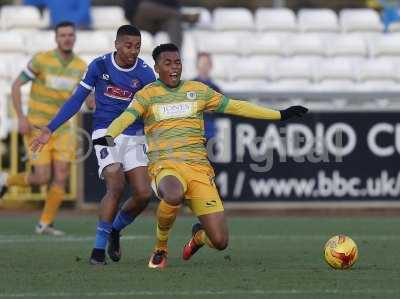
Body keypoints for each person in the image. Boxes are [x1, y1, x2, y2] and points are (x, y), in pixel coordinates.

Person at [89, 43, 308, 269]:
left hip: (199, 170)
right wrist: (110, 135)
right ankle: (160, 249)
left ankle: (198, 237)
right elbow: (126, 117)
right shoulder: (147, 95)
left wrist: (280, 115)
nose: (174, 68)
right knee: (173, 194)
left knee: (220, 241)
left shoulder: (198, 90)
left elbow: (237, 107)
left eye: (177, 62)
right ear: (156, 68)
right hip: (165, 166)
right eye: (167, 63)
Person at [30, 25, 156, 265]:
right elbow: (77, 99)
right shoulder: (100, 65)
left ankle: (115, 230)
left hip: (133, 135)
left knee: (143, 194)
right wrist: (50, 128)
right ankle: (97, 251)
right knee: (115, 183)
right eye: (128, 46)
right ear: (117, 45)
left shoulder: (146, 73)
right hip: (106, 133)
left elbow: (154, 108)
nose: (133, 51)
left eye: (137, 47)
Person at [0, 21, 87, 235]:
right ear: (56, 38)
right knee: (40, 177)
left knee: (62, 174)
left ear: (74, 38)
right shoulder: (41, 59)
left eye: (70, 35)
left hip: (63, 129)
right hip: (37, 128)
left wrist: (93, 100)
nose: (67, 38)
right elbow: (16, 85)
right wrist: (21, 117)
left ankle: (45, 223)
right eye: (63, 35)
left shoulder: (81, 66)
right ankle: (5, 180)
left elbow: (85, 94)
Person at [123, 0, 199, 50]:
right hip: (142, 22)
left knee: (174, 21)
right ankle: (184, 17)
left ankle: (175, 56)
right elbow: (129, 10)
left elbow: (175, 6)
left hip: (162, 21)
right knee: (145, 6)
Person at [193, 52, 221, 141]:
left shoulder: (216, 88)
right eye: (202, 64)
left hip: (210, 134)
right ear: (197, 66)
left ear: (211, 66)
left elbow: (220, 109)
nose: (204, 67)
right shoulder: (189, 86)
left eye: (206, 64)